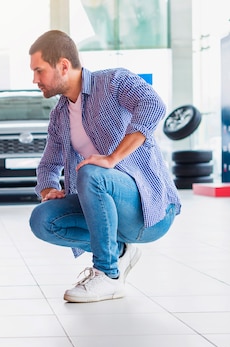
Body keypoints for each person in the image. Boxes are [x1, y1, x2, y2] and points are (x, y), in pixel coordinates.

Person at [27, 30, 181, 303]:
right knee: (42, 219)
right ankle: (119, 251)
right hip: (105, 208)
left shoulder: (113, 82)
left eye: (39, 71)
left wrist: (111, 159)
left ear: (63, 65)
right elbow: (48, 164)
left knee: (92, 173)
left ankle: (108, 275)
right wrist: (48, 189)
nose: (35, 79)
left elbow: (153, 105)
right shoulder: (60, 114)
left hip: (148, 210)